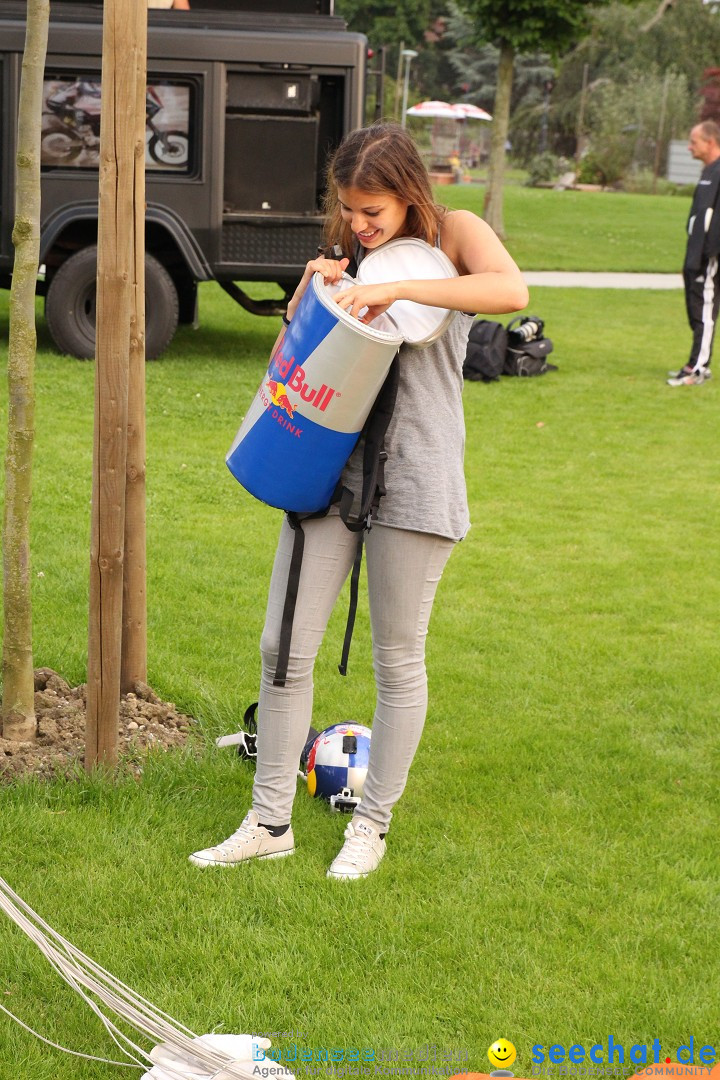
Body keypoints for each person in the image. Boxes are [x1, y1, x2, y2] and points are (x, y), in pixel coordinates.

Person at [189, 122, 528, 880]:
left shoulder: (455, 234)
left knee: (398, 660)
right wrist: (311, 298)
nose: (360, 223)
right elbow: (304, 359)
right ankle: (268, 820)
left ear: (408, 193)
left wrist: (396, 284)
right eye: (349, 209)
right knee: (284, 649)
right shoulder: (349, 249)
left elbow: (511, 290)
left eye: (373, 210)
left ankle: (370, 827)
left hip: (415, 475)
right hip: (328, 470)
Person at [667, 121, 720, 387]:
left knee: (705, 311)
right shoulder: (708, 171)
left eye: (694, 142)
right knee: (697, 309)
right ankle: (699, 363)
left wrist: (709, 254)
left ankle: (696, 368)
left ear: (710, 142)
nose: (689, 147)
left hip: (710, 259)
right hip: (696, 256)